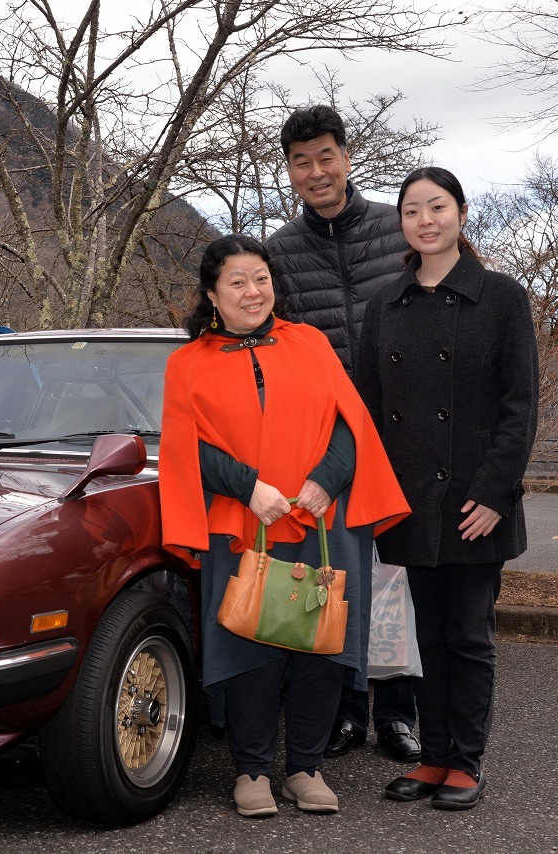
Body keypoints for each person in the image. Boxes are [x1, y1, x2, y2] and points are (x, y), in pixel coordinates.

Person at [160, 234, 409, 818]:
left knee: (319, 643)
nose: (253, 291)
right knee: (253, 642)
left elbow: (351, 422)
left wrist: (326, 480)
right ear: (212, 295)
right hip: (244, 521)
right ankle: (251, 770)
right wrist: (250, 489)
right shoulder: (186, 364)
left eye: (261, 278)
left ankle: (305, 767)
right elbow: (184, 446)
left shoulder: (311, 343)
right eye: (238, 282)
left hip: (323, 519)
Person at [355, 167, 538, 810]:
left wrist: (494, 494)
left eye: (437, 207)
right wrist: (378, 498)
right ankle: (431, 757)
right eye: (411, 210)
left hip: (473, 502)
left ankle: (465, 762)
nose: (425, 220)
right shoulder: (384, 306)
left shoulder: (501, 297)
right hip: (411, 502)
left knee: (468, 635)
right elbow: (368, 412)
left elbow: (520, 407)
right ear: (400, 223)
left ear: (462, 213)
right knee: (423, 639)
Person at [264, 104, 421, 764]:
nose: (316, 171)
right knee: (336, 575)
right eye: (302, 161)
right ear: (291, 171)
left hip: (405, 432)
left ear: (347, 157)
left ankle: (400, 712)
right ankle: (344, 709)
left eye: (326, 156)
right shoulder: (278, 253)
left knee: (398, 577)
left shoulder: (399, 229)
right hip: (326, 439)